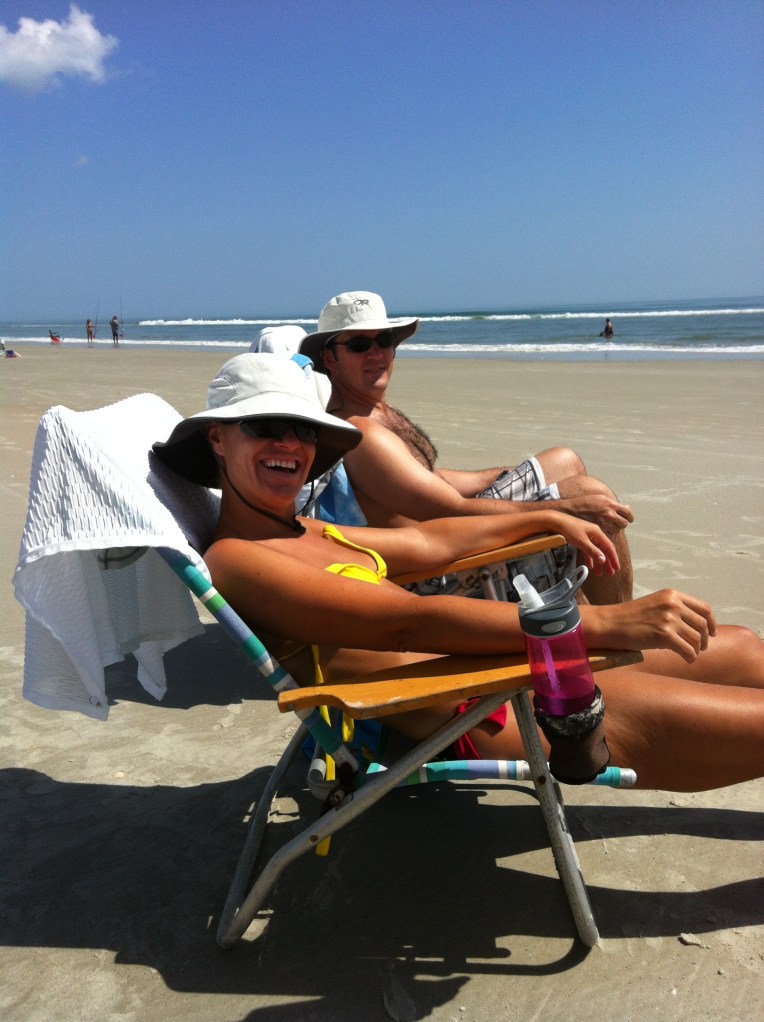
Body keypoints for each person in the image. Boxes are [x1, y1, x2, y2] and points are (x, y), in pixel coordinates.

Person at [152, 354, 764, 792]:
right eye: (265, 427)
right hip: (476, 706)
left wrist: (547, 513)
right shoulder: (237, 558)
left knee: (740, 649)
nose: (290, 443)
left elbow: (428, 541)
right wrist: (609, 621)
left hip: (497, 670)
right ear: (218, 440)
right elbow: (407, 622)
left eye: (304, 429)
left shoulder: (301, 530)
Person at [299, 292, 633, 605]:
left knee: (564, 460)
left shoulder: (374, 411)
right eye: (359, 344)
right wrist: (565, 511)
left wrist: (497, 475)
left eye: (384, 341)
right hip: (445, 570)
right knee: (591, 496)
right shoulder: (361, 433)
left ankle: (583, 608)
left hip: (452, 535)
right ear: (330, 357)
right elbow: (450, 510)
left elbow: (425, 477)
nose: (376, 354)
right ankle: (622, 630)